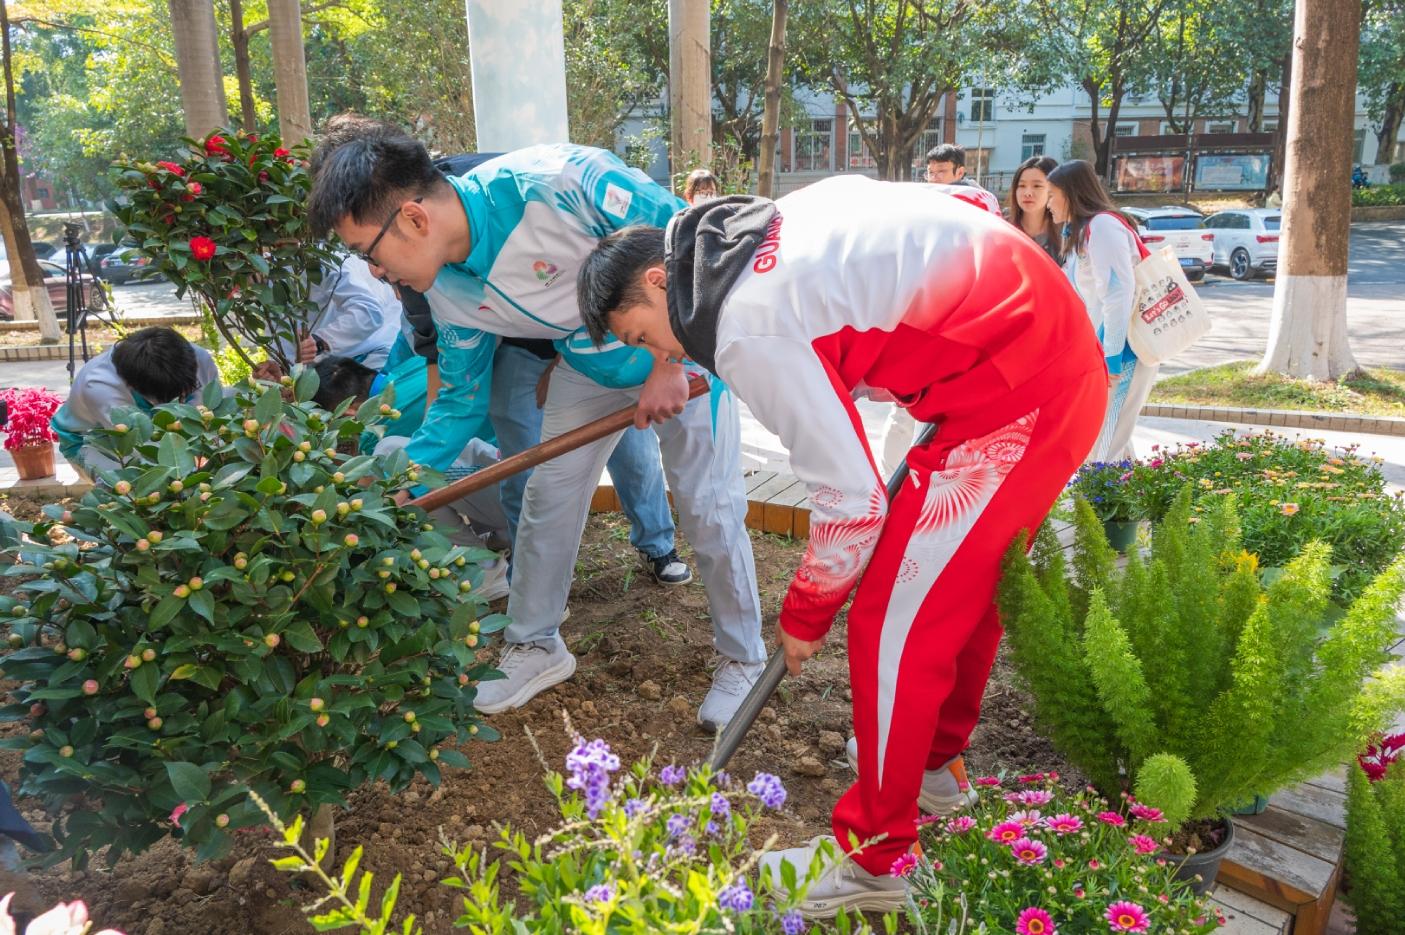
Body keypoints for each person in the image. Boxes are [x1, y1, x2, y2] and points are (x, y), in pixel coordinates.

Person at [576, 174, 1106, 916]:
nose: (659, 352)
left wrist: (805, 612)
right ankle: (933, 769)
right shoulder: (764, 227)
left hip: (1016, 392)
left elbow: (853, 503)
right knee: (957, 592)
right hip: (1027, 363)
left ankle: (874, 859)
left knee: (891, 627)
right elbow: (965, 214)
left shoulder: (744, 324)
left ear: (661, 281)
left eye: (641, 335)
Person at [306, 131, 767, 729]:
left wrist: (669, 361)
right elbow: (460, 402)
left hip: (686, 354)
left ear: (414, 219)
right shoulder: (445, 288)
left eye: (367, 251)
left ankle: (744, 657)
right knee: (547, 500)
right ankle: (535, 643)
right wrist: (399, 483)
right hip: (588, 369)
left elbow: (692, 249)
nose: (374, 270)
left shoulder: (563, 183)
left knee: (707, 504)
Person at [312, 354, 511, 598]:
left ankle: (484, 569)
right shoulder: (416, 365)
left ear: (348, 412)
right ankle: (503, 537)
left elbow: (369, 492)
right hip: (520, 476)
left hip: (514, 488)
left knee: (398, 473)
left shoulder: (378, 428)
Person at [1046, 159, 1153, 461]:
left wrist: (1112, 358)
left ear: (1071, 194)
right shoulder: (1083, 232)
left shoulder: (1103, 226)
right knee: (1112, 438)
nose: (1048, 203)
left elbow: (1119, 293)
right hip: (1108, 351)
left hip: (1124, 352)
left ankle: (1102, 492)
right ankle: (1128, 490)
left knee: (1105, 445)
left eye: (1052, 195)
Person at [52, 327, 221, 480]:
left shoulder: (196, 357)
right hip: (91, 441)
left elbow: (211, 408)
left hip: (158, 432)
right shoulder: (100, 386)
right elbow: (141, 449)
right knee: (136, 482)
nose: (182, 398)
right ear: (134, 386)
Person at [1007, 155, 1061, 262]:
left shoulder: (1067, 233)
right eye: (1022, 186)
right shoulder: (1002, 225)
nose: (1027, 193)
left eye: (1037, 186)